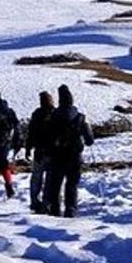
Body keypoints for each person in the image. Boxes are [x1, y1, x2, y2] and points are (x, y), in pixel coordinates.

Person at [44, 84, 94, 218]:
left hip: (57, 155)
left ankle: (55, 210)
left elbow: (48, 137)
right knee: (72, 184)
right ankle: (70, 210)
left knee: (55, 184)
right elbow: (89, 140)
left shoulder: (53, 116)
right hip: (75, 155)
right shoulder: (80, 117)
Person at [25, 91, 56, 213]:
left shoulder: (37, 114)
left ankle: (34, 202)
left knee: (36, 178)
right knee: (49, 179)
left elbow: (31, 133)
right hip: (53, 152)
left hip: (39, 152)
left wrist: (28, 148)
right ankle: (46, 203)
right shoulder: (56, 113)